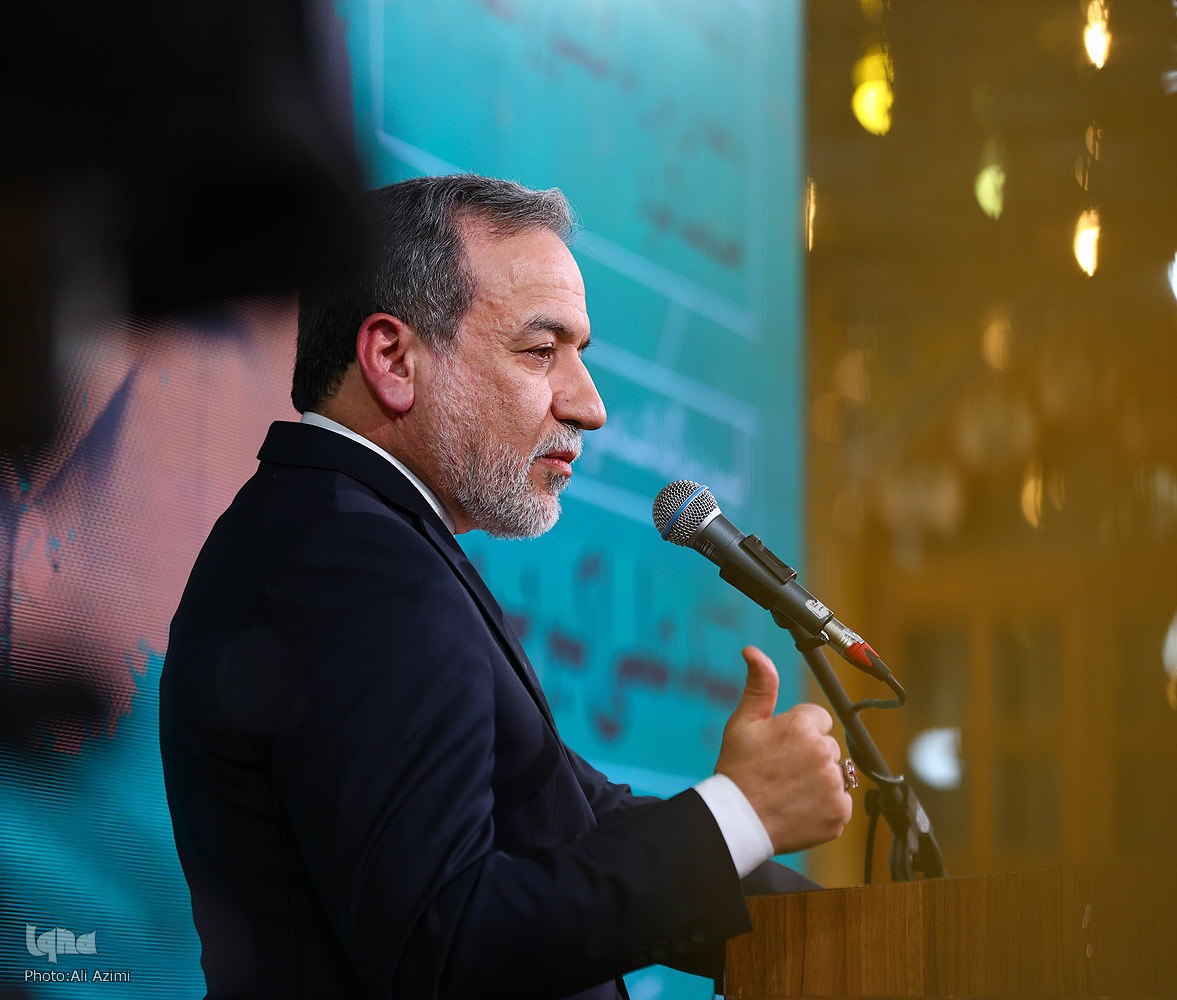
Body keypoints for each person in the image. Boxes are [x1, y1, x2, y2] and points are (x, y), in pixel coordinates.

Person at [158, 174, 853, 1000]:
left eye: (580, 354)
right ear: (393, 359)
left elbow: (568, 820)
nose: (590, 406)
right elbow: (446, 942)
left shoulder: (350, 537)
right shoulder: (351, 563)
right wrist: (740, 812)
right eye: (540, 351)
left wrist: (856, 929)